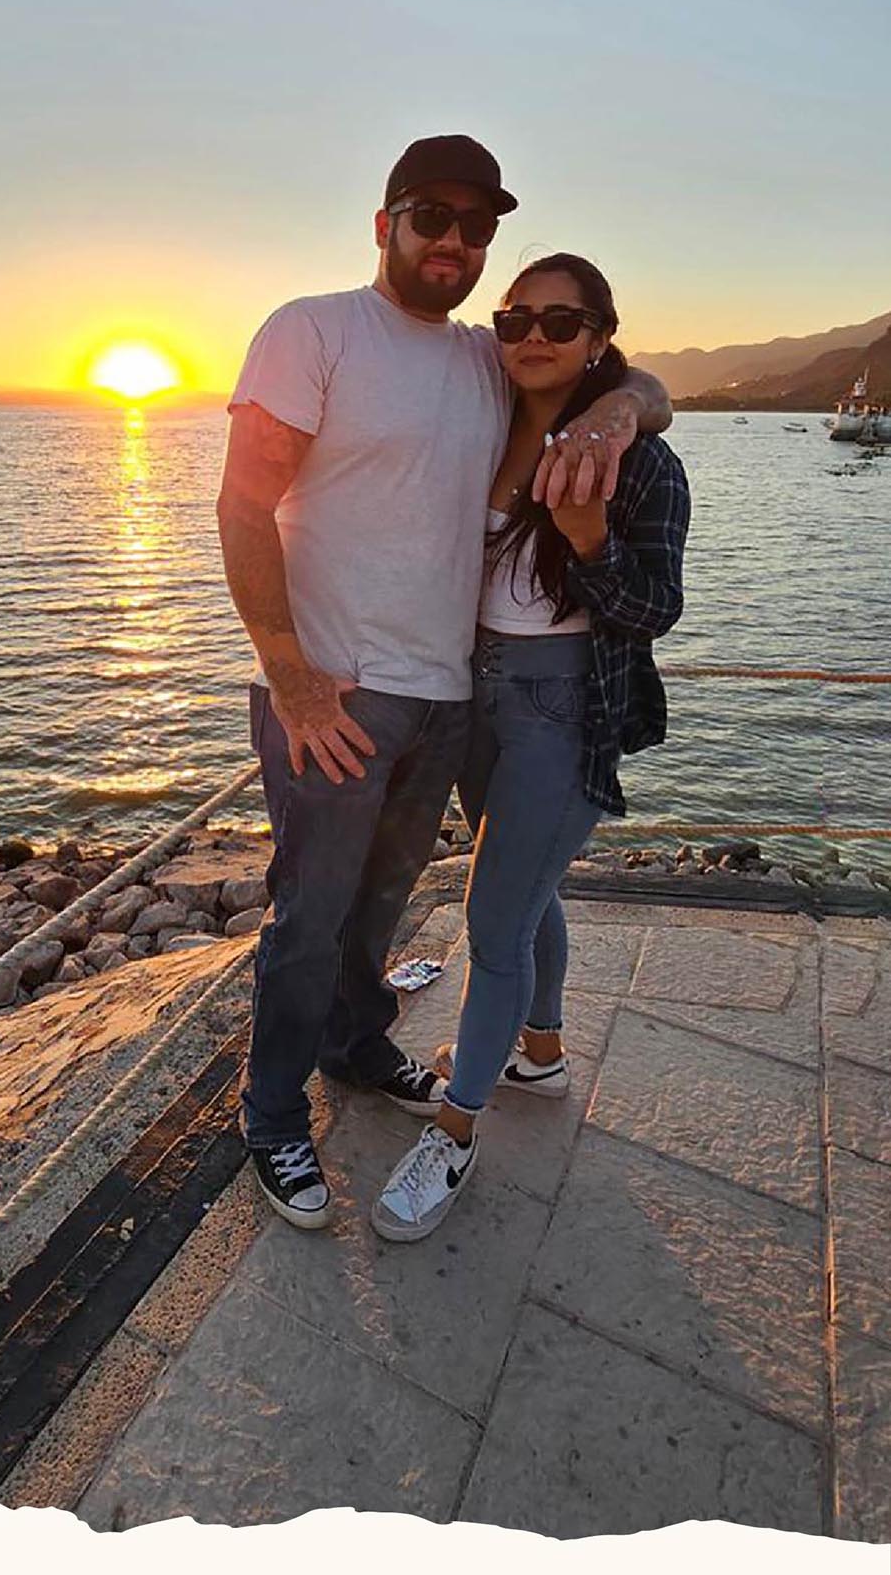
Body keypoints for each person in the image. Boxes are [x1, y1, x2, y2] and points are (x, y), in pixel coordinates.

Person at [216, 143, 673, 1231]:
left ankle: (355, 1045)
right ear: (385, 224)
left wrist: (620, 409)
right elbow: (242, 504)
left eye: (477, 227)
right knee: (309, 914)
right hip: (338, 694)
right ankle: (271, 1112)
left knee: (380, 905)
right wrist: (291, 677)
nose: (454, 242)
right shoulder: (312, 330)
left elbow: (632, 382)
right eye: (432, 216)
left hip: (446, 696)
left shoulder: (485, 356)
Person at [371, 254, 690, 1242]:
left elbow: (655, 609)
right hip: (476, 691)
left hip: (564, 705)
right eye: (515, 318)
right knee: (528, 892)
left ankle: (458, 1126)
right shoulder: (484, 420)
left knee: (493, 918)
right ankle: (538, 1054)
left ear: (599, 335)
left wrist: (588, 537)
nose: (533, 336)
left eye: (561, 320)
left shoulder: (640, 461)